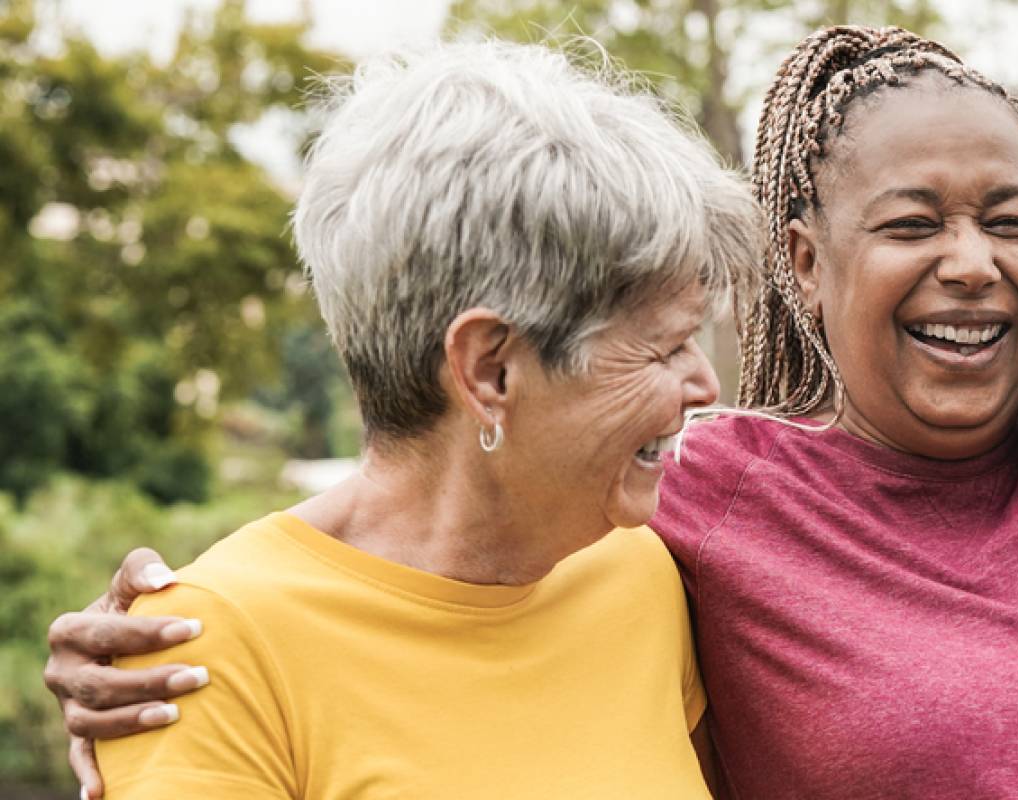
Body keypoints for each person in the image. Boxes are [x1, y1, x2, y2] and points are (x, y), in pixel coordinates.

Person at [47, 26, 1018, 799]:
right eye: (912, 222)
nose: (971, 263)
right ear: (801, 262)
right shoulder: (696, 504)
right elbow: (436, 521)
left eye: (1011, 219)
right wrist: (168, 628)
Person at [58, 40, 759, 799]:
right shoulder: (207, 652)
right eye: (665, 347)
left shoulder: (638, 571)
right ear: (489, 370)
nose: (704, 384)